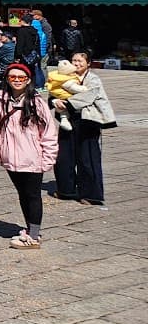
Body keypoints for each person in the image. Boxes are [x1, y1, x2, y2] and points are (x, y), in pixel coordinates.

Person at [0, 63, 58, 249]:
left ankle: (33, 236)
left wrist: (49, 157)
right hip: (10, 157)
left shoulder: (36, 101)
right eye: (13, 77)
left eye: (21, 78)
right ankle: (29, 229)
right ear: (7, 80)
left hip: (33, 157)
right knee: (23, 194)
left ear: (28, 80)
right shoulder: (0, 99)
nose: (17, 81)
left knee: (33, 195)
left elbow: (49, 131)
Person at [50, 50, 112, 208]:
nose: (76, 64)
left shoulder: (93, 79)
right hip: (68, 120)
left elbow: (89, 96)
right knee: (64, 156)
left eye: (80, 61)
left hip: (88, 120)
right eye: (74, 60)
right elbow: (53, 90)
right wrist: (54, 101)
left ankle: (91, 194)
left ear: (88, 64)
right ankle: (66, 189)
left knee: (88, 158)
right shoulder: (65, 75)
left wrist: (67, 103)